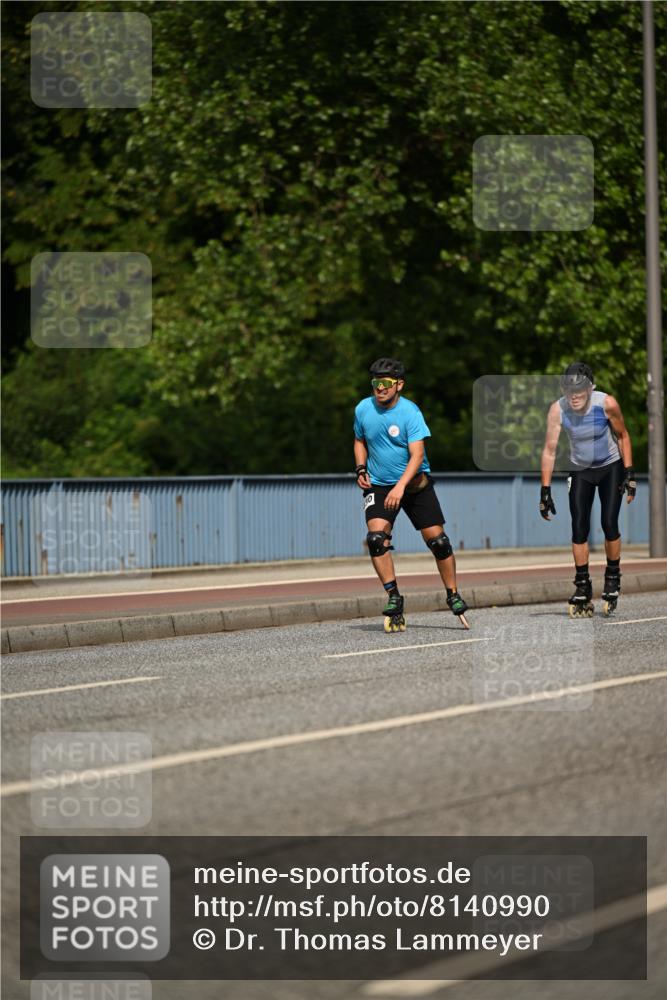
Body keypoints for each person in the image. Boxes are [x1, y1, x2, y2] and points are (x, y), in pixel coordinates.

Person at [353, 357, 469, 631]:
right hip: (380, 485)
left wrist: (401, 486)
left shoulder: (410, 413)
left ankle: (452, 594)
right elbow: (359, 440)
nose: (379, 388)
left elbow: (418, 455)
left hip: (414, 485)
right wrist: (360, 468)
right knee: (376, 539)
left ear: (399, 385)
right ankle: (394, 597)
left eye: (385, 383)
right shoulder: (363, 409)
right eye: (375, 383)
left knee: (439, 542)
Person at [540, 361, 636, 616]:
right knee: (579, 526)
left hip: (610, 466)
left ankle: (613, 576)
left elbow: (624, 435)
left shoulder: (606, 403)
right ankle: (582, 584)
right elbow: (549, 450)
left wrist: (629, 473)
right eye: (570, 393)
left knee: (609, 523)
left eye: (580, 393)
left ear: (590, 389)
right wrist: (545, 489)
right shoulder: (557, 409)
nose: (574, 398)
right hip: (581, 468)